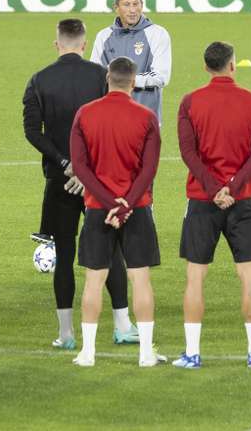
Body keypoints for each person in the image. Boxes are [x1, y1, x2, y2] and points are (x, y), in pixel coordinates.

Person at [23, 18, 137, 349]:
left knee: (64, 250)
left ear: (57, 43)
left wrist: (65, 165)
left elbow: (32, 131)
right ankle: (121, 325)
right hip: (98, 180)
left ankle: (66, 334)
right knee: (111, 250)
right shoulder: (99, 77)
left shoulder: (39, 80)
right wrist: (85, 170)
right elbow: (109, 123)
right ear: (84, 44)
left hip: (59, 181)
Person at [172, 41, 251, 369]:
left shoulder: (190, 103)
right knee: (248, 277)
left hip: (202, 201)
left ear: (206, 67)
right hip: (242, 201)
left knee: (195, 278)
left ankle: (192, 354)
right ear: (232, 65)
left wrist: (215, 188)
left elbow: (188, 153)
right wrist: (232, 186)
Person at [69, 57, 163, 367]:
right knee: (140, 280)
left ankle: (88, 352)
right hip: (136, 209)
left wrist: (109, 203)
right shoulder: (147, 117)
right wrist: (126, 204)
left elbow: (80, 167)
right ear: (134, 82)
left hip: (98, 210)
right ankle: (146, 353)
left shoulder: (85, 114)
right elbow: (149, 169)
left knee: (94, 280)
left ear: (107, 78)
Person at [90, 0, 172, 124]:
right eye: (127, 5)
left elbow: (161, 77)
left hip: (145, 119)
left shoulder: (157, 34)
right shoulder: (104, 36)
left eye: (136, 4)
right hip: (111, 119)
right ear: (116, 8)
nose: (133, 10)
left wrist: (126, 80)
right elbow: (94, 76)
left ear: (142, 5)